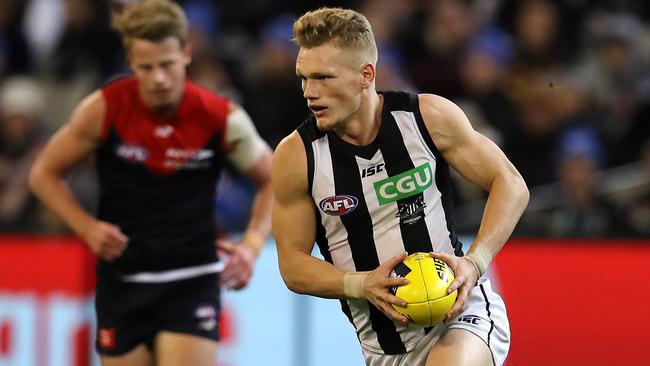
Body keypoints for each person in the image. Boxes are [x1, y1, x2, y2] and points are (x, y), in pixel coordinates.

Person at [272, 7, 529, 366]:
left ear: (366, 75)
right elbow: (293, 265)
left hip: (461, 314)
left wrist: (474, 263)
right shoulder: (296, 157)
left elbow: (511, 183)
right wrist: (361, 285)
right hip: (385, 348)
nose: (309, 93)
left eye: (323, 78)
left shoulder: (427, 118)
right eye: (303, 78)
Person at [29, 0, 273, 365]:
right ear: (131, 62)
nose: (158, 78)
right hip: (123, 281)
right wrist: (87, 228)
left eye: (167, 65)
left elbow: (273, 180)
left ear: (186, 53)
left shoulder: (220, 117)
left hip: (192, 278)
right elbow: (42, 174)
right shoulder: (104, 109)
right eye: (146, 67)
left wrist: (251, 245)